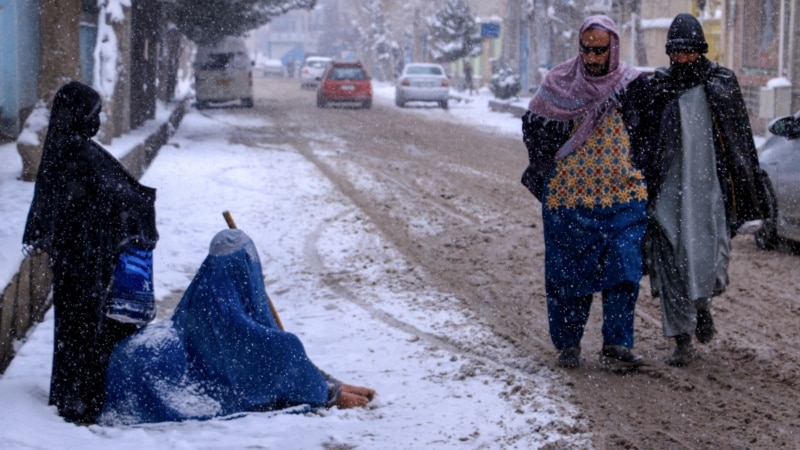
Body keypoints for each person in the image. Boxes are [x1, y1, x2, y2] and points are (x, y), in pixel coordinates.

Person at [98, 229, 375, 425]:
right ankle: (327, 393)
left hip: (158, 353)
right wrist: (328, 394)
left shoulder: (207, 283)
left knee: (283, 347)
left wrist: (330, 380)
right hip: (171, 369)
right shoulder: (221, 297)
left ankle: (328, 385)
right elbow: (268, 354)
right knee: (285, 347)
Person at [520, 15, 655, 370]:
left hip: (623, 200)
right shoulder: (559, 83)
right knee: (568, 275)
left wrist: (639, 171)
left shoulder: (632, 86)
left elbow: (649, 136)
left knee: (624, 271)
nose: (593, 58)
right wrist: (547, 168)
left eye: (600, 50)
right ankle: (568, 345)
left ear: (613, 48)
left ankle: (616, 347)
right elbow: (533, 129)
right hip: (570, 202)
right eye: (587, 50)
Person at [22, 81, 159, 424]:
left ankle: (71, 394)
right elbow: (120, 195)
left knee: (73, 331)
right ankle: (83, 400)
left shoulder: (64, 148)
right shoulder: (79, 153)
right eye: (94, 113)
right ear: (80, 114)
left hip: (75, 259)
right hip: (89, 260)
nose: (97, 119)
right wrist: (140, 209)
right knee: (88, 331)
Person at [647, 14, 768, 367]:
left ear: (701, 50)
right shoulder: (661, 87)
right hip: (668, 189)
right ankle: (681, 339)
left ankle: (702, 308)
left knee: (705, 257)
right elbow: (645, 139)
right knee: (669, 259)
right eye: (676, 52)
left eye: (689, 51)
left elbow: (739, 142)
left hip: (707, 189)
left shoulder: (721, 83)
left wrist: (745, 188)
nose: (682, 58)